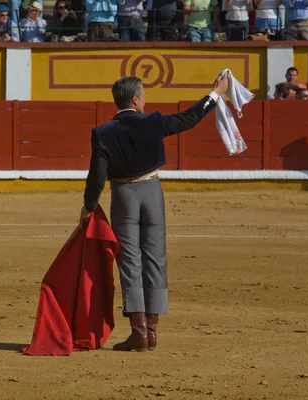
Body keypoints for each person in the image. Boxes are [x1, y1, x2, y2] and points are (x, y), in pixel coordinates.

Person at [79, 73, 229, 352]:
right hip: (152, 192)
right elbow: (190, 118)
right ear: (135, 100)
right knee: (155, 257)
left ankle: (139, 333)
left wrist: (89, 207)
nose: (145, 100)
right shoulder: (153, 122)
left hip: (123, 196)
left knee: (130, 261)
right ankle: (152, 330)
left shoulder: (102, 132)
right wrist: (215, 94)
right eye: (144, 95)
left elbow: (96, 176)